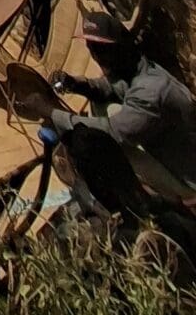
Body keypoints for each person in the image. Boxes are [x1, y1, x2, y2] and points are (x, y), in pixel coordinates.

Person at [50, 13, 196, 189]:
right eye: (91, 48)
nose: (96, 55)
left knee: (106, 144)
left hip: (187, 175)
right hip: (169, 153)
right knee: (102, 106)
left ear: (119, 47)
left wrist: (53, 113)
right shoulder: (133, 67)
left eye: (101, 49)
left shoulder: (150, 89)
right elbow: (111, 88)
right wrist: (76, 84)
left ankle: (177, 200)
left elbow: (112, 132)